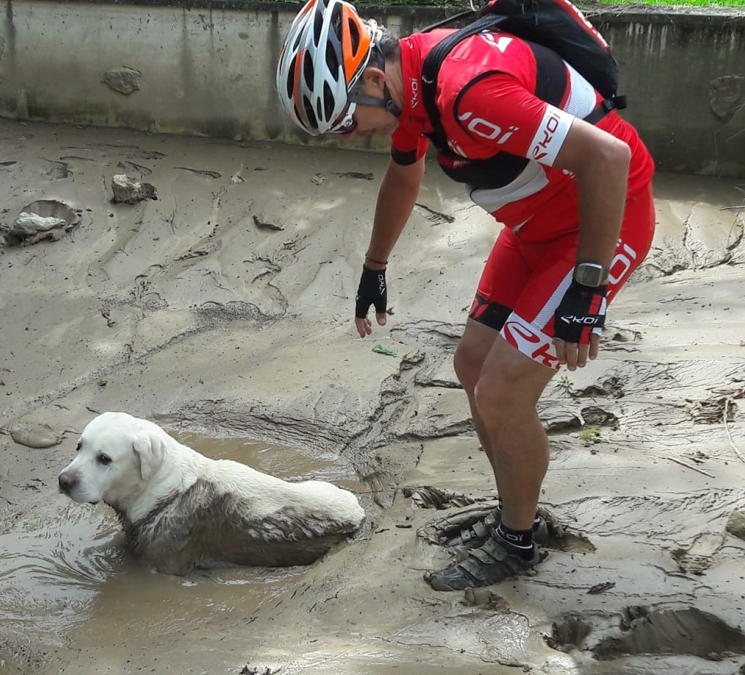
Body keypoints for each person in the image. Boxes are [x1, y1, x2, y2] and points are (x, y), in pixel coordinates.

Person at [275, 0, 656, 589]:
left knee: (502, 391)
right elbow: (405, 175)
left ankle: (517, 545)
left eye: (347, 123)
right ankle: (514, 515)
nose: (351, 136)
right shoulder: (408, 81)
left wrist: (588, 288)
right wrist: (375, 265)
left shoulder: (468, 92)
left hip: (601, 221)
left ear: (372, 81)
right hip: (534, 228)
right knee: (471, 363)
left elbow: (610, 157)